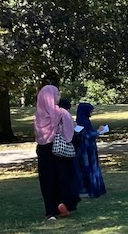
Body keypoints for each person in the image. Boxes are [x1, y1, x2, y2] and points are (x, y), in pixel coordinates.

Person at [34, 85, 77, 220]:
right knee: (62, 177)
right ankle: (63, 204)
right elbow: (70, 132)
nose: (58, 97)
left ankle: (50, 211)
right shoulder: (61, 113)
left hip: (43, 149)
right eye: (56, 94)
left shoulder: (38, 116)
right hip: (59, 149)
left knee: (47, 180)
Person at [75, 102, 107, 198]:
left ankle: (89, 188)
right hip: (85, 150)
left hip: (88, 149)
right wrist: (98, 131)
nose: (91, 114)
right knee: (86, 168)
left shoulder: (83, 122)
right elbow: (87, 135)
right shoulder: (83, 123)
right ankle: (86, 189)